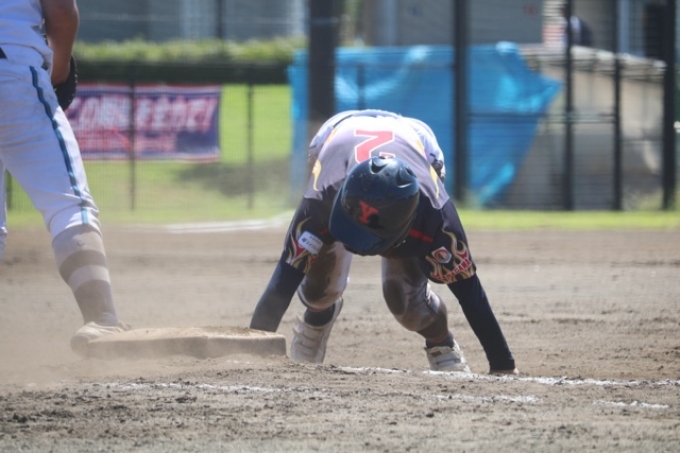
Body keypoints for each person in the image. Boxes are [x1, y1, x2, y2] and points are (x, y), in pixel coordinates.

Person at [250, 109, 518, 374]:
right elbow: (285, 279)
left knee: (408, 304)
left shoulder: (436, 219)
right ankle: (318, 317)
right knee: (317, 291)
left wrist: (503, 364)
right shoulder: (322, 199)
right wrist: (253, 356)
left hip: (420, 145)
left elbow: (469, 291)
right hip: (334, 137)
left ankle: (441, 344)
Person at [0, 0, 130, 356]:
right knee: (68, 206)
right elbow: (60, 9)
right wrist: (58, 68)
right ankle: (102, 319)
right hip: (11, 74)